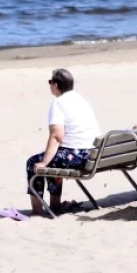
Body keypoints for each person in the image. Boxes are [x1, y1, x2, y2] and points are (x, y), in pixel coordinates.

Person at [25, 68, 102, 216]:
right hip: (94, 154)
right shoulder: (81, 99)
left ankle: (37, 209)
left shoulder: (59, 103)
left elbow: (56, 136)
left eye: (50, 82)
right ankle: (55, 206)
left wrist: (44, 162)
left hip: (79, 157)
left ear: (56, 85)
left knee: (33, 163)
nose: (49, 86)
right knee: (55, 159)